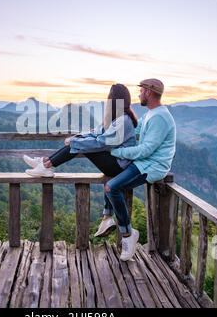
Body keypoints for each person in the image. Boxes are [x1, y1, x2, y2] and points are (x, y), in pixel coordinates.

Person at [23, 84, 138, 237]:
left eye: (109, 98)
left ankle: (46, 165)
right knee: (81, 143)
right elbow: (95, 132)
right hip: (115, 162)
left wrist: (74, 142)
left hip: (120, 166)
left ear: (114, 100)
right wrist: (77, 138)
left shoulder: (124, 120)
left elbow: (102, 142)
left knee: (83, 146)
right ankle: (45, 163)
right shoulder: (115, 118)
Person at [97, 78, 176, 261]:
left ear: (148, 92)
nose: (139, 94)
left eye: (141, 91)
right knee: (112, 173)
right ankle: (107, 217)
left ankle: (128, 234)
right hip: (143, 162)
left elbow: (146, 149)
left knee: (112, 187)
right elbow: (133, 130)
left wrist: (118, 151)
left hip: (152, 166)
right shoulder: (151, 114)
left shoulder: (159, 117)